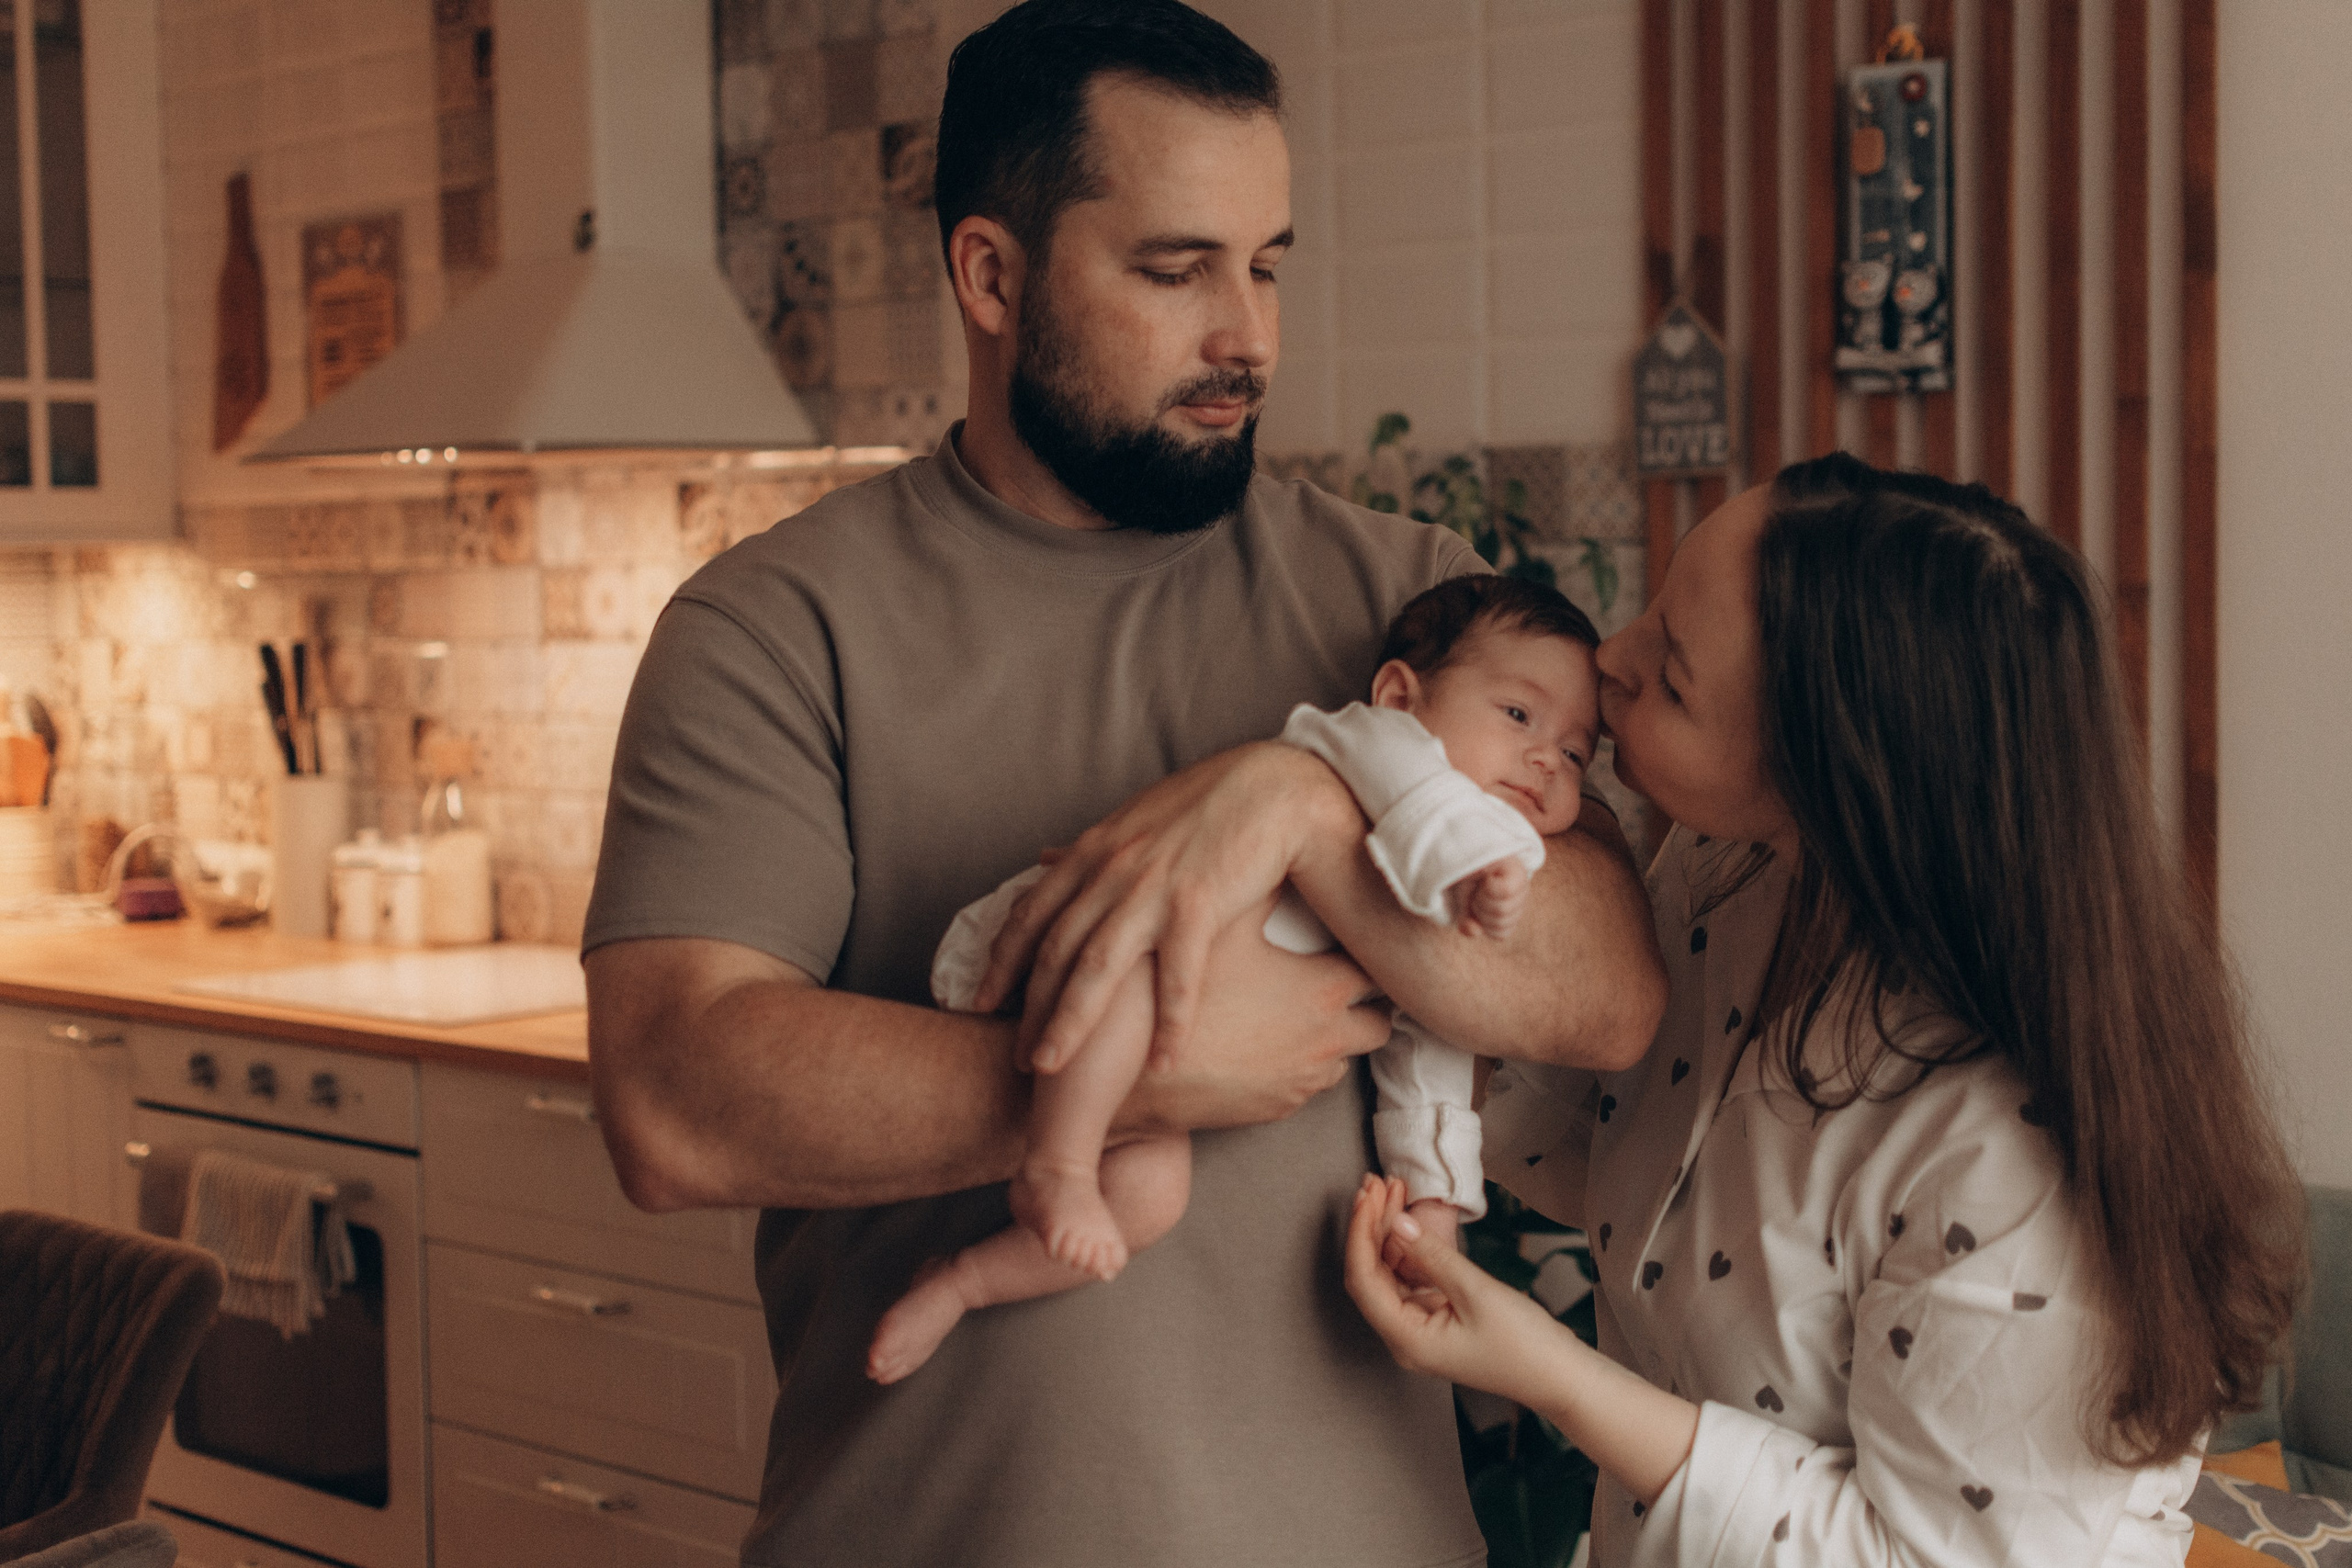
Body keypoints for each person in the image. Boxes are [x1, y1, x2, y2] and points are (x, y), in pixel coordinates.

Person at [580, 3, 1663, 1564]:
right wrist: (1135, 1071)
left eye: (1268, 262)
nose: (1252, 336)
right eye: (1177, 269)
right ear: (993, 276)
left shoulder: (1414, 608)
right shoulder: (775, 627)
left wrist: (1292, 811)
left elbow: (1608, 983)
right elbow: (675, 1097)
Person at [1327, 457, 2307, 1566]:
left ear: (1835, 778)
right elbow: (1600, 1140)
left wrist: (1542, 1370)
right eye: (1655, 607)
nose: (1613, 658)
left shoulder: (2015, 1153)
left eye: (1675, 678)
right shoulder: (1730, 876)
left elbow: (1926, 1558)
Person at [867, 576, 1606, 1383]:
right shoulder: (1372, 749)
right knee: (1144, 976)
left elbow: (1436, 1058)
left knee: (1151, 1196)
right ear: (1400, 693)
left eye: (1576, 751)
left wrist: (1433, 1212)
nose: (1547, 757)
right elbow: (1432, 814)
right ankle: (1058, 1165)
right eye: (1519, 714)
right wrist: (1483, 870)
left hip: (1148, 1049)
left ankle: (962, 1282)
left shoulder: (1454, 885)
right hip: (1107, 953)